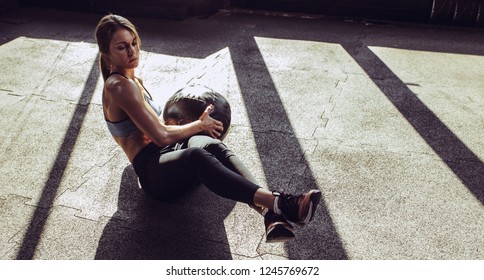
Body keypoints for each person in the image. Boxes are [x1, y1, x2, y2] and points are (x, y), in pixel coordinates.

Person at [95, 14, 321, 243]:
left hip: (166, 155)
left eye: (134, 43)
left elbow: (155, 129)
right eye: (122, 47)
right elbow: (161, 137)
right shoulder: (118, 86)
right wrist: (198, 124)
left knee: (210, 143)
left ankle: (270, 215)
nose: (132, 51)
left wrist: (190, 127)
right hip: (154, 174)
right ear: (107, 53)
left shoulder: (133, 80)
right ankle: (281, 203)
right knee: (196, 155)